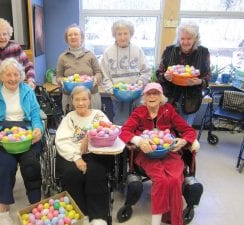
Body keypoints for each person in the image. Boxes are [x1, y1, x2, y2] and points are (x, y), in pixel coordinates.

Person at [119, 82, 197, 225]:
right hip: (147, 154)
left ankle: (174, 219)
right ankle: (156, 222)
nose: (152, 96)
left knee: (174, 179)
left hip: (170, 153)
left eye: (156, 93)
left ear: (161, 97)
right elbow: (124, 131)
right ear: (144, 97)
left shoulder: (169, 110)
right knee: (161, 180)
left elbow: (189, 131)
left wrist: (184, 141)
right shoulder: (139, 112)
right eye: (149, 93)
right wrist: (138, 140)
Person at [0, 58, 43, 225]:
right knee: (7, 165)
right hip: (2, 135)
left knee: (30, 163)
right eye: (8, 74)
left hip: (26, 133)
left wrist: (38, 129)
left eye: (16, 74)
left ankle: (35, 204)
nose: (12, 78)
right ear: (1, 76)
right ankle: (3, 209)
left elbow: (36, 115)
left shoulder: (27, 91)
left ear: (21, 76)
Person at [55, 86, 112, 225]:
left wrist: (90, 136)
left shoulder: (98, 115)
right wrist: (77, 158)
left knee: (95, 172)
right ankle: (81, 215)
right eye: (77, 99)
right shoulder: (69, 118)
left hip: (96, 152)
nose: (81, 103)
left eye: (84, 99)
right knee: (72, 173)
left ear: (90, 100)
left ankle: (99, 217)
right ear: (72, 101)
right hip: (72, 154)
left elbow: (109, 132)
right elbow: (61, 141)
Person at [156, 22, 211, 125]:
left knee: (184, 128)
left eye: (189, 38)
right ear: (178, 38)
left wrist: (199, 81)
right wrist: (165, 76)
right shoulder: (170, 50)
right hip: (170, 96)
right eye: (182, 38)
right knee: (167, 127)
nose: (185, 42)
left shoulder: (203, 52)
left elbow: (207, 76)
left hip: (191, 98)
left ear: (195, 38)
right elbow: (159, 72)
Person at [101, 19, 151, 125]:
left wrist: (141, 83)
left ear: (131, 34)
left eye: (125, 33)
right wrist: (111, 91)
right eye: (119, 34)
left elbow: (146, 70)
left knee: (139, 121)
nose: (122, 37)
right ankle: (121, 141)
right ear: (114, 35)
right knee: (120, 123)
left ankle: (138, 141)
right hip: (117, 95)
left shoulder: (138, 50)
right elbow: (104, 75)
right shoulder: (108, 52)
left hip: (137, 94)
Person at [56, 24, 103, 113]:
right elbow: (58, 76)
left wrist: (95, 78)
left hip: (91, 96)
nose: (73, 37)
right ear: (67, 39)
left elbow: (99, 73)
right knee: (72, 124)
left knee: (92, 123)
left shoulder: (90, 55)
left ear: (81, 37)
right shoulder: (62, 57)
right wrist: (62, 80)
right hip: (70, 97)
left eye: (76, 34)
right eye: (70, 35)